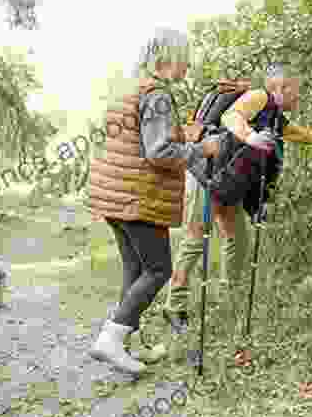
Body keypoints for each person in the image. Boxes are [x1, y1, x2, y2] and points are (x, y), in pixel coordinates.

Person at [86, 27, 221, 375]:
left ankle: (126, 344)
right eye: (184, 61)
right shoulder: (158, 94)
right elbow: (159, 152)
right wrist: (201, 148)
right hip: (138, 197)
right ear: (167, 58)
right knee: (159, 269)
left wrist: (181, 136)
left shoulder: (130, 88)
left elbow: (138, 139)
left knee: (135, 271)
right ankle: (111, 341)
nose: (187, 68)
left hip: (114, 195)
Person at [164, 63, 312, 333]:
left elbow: (293, 134)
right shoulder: (258, 97)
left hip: (230, 183)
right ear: (281, 87)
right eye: (297, 91)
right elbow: (231, 116)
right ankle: (174, 306)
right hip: (208, 176)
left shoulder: (275, 117)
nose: (299, 97)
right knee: (195, 240)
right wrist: (251, 137)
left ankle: (229, 298)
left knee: (237, 240)